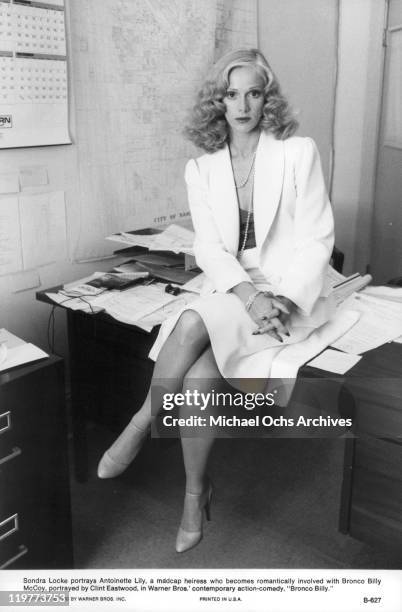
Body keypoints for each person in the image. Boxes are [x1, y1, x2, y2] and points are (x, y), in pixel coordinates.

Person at [97, 48, 335, 553]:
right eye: (232, 94)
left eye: (253, 92)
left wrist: (283, 296)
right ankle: (151, 429)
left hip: (291, 287)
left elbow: (317, 239)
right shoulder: (201, 168)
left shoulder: (298, 151)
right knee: (189, 321)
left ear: (266, 99)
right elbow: (209, 248)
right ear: (218, 102)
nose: (243, 105)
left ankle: (182, 479)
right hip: (235, 285)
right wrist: (248, 295)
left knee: (201, 377)